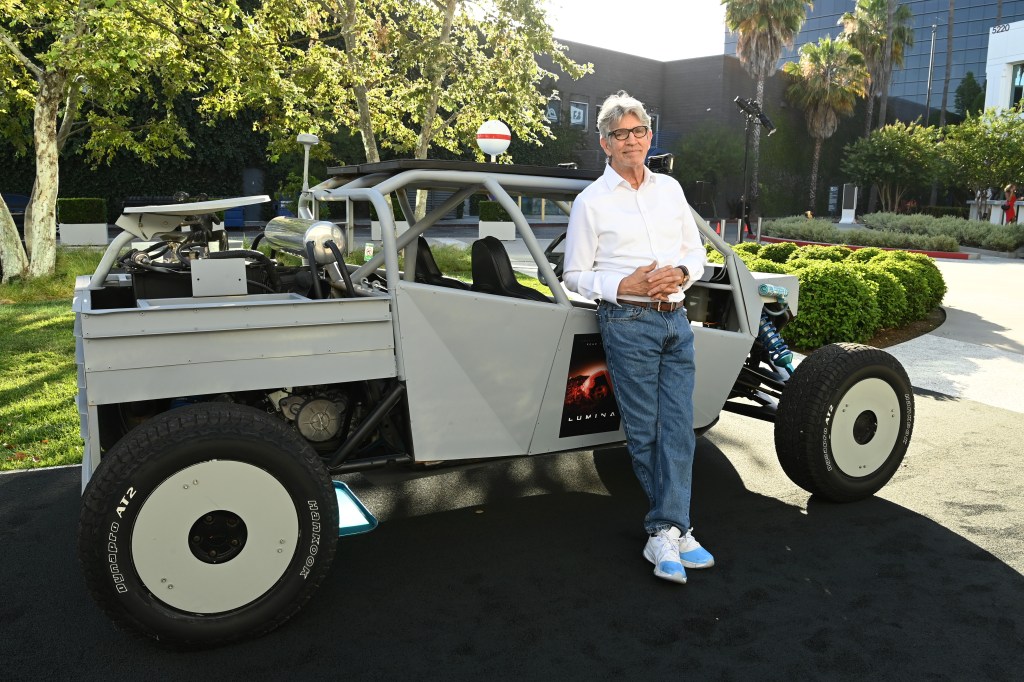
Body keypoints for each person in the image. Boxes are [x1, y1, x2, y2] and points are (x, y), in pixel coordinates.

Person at [562, 91, 713, 584]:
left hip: (676, 319)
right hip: (627, 322)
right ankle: (669, 531)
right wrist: (620, 285)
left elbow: (698, 253)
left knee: (678, 430)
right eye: (620, 134)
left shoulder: (670, 189)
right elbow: (574, 274)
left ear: (650, 136)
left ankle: (670, 529)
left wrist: (681, 273)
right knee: (646, 431)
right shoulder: (591, 202)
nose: (631, 141)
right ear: (605, 143)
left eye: (639, 131)